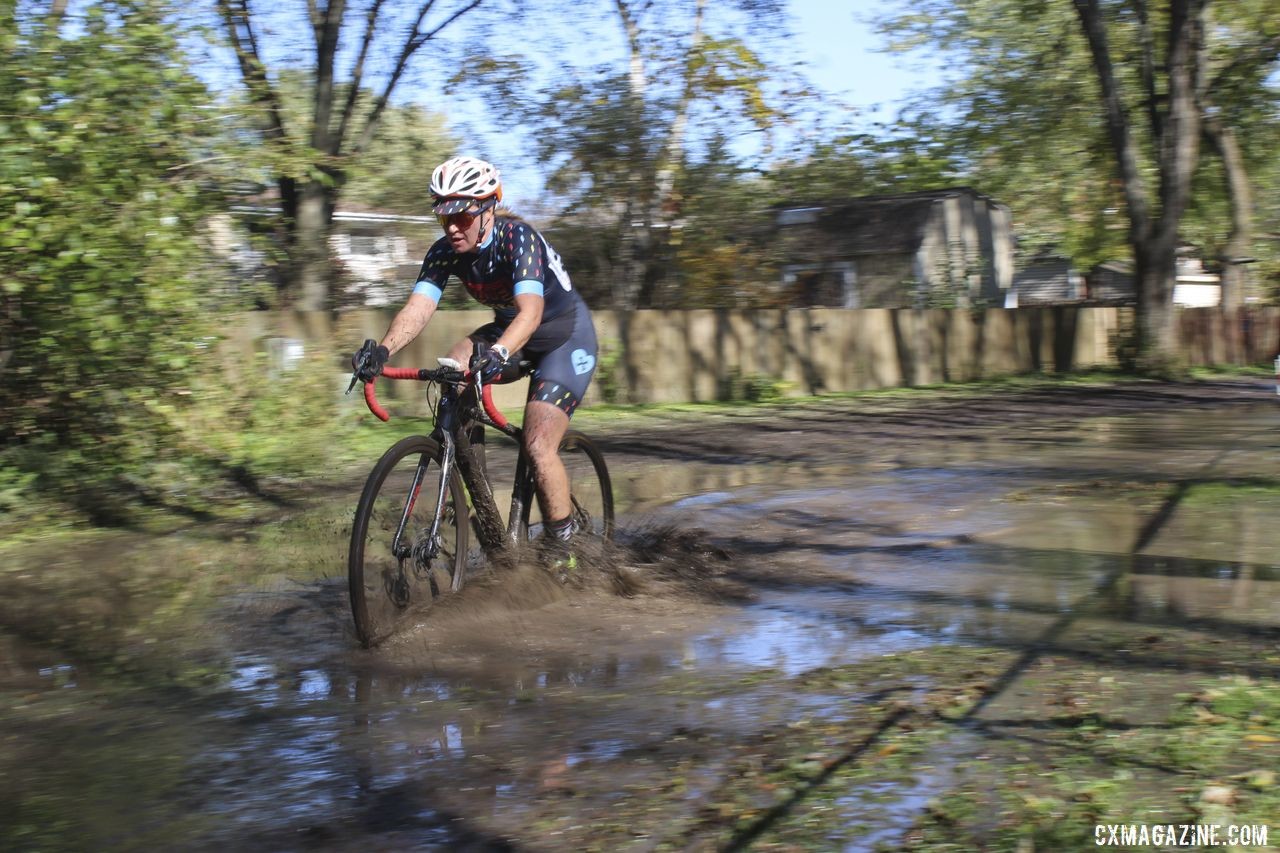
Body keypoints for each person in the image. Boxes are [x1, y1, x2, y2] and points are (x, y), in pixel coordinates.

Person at [350, 155, 598, 560]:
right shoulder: (444, 251)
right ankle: (471, 488)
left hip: (563, 340)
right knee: (452, 370)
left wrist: (499, 352)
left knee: (537, 445)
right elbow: (418, 309)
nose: (451, 226)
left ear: (488, 209)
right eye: (443, 216)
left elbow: (531, 312)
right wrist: (383, 349)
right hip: (507, 330)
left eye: (461, 216)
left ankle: (565, 547)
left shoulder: (518, 239)